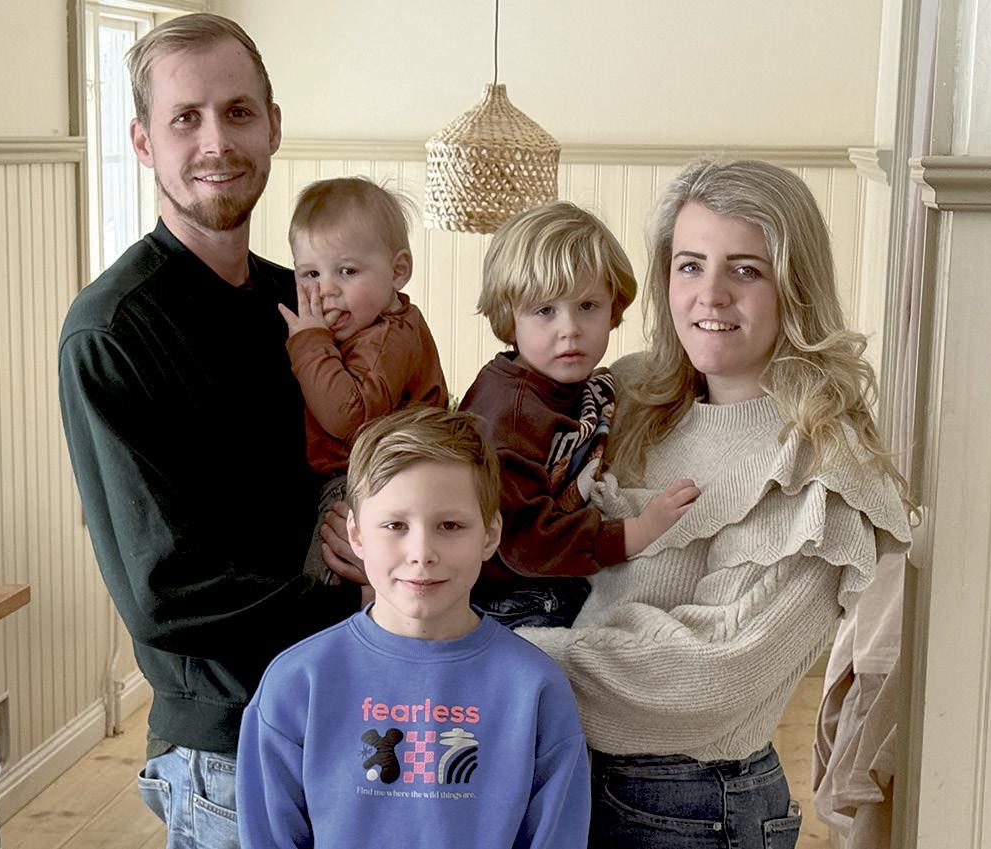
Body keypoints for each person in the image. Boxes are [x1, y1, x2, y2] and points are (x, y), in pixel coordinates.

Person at [519, 160, 913, 849]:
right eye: (690, 266)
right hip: (562, 771)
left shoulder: (820, 464)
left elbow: (711, 678)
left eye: (746, 270)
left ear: (793, 287)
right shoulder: (626, 396)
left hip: (691, 806)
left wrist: (500, 656)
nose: (711, 295)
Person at [58, 14, 355, 848]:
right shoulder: (113, 330)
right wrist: (364, 594)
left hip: (351, 703)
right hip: (229, 750)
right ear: (143, 142)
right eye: (185, 118)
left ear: (273, 126)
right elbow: (164, 593)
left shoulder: (301, 301)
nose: (216, 142)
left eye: (238, 112)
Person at [236, 406, 591, 849]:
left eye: (450, 525)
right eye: (395, 525)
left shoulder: (536, 689)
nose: (422, 553)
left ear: (490, 534)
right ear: (357, 534)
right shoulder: (296, 683)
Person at [460, 201, 699, 628]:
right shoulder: (509, 416)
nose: (569, 329)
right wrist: (639, 530)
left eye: (587, 306)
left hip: (555, 575)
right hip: (507, 594)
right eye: (545, 310)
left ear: (613, 308)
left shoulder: (580, 385)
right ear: (510, 318)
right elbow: (526, 540)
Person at [281, 176, 448, 586]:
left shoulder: (387, 338)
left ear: (398, 271)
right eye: (310, 274)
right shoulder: (372, 329)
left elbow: (347, 415)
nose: (326, 291)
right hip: (376, 479)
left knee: (323, 584)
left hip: (371, 485)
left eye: (347, 271)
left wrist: (309, 341)